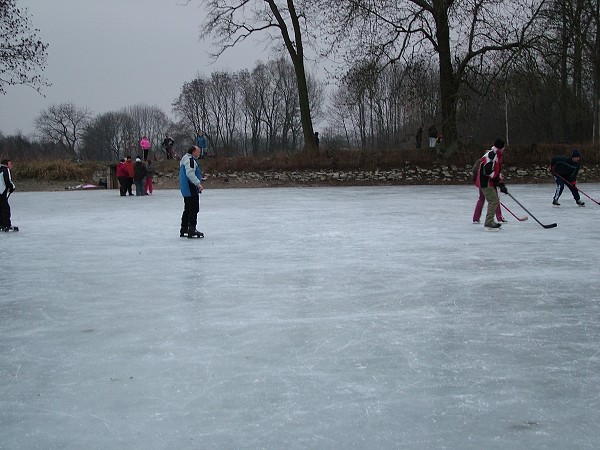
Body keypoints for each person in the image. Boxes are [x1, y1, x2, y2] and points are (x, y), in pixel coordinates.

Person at [474, 139, 508, 231]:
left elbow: (497, 171)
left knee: (494, 200)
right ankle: (489, 223)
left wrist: (501, 184)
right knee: (493, 200)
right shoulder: (492, 155)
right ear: (500, 147)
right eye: (503, 147)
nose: (504, 148)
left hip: (489, 182)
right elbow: (487, 171)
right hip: (485, 182)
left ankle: (490, 221)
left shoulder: (497, 155)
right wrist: (497, 181)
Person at [179, 146, 205, 238]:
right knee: (194, 208)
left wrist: (200, 178)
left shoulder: (185, 159)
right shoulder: (190, 160)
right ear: (193, 152)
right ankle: (192, 229)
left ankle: (184, 228)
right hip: (190, 188)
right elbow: (190, 173)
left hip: (185, 188)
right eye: (198, 152)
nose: (199, 154)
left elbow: (189, 173)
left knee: (187, 208)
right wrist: (198, 183)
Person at [0, 159, 17, 232]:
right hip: (2, 193)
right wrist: (12, 188)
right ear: (6, 165)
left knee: (1, 208)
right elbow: (7, 181)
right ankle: (7, 224)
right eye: (10, 164)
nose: (11, 165)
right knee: (6, 209)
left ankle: (1, 224)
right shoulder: (6, 170)